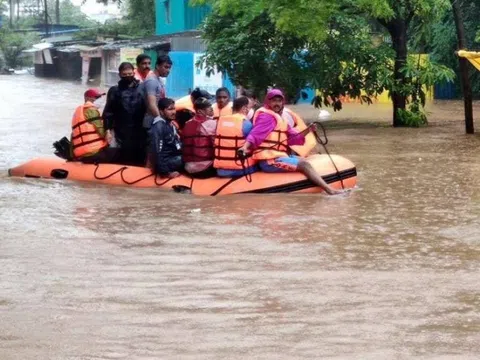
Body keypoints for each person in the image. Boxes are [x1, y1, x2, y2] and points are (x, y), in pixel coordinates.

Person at [237, 89, 342, 195]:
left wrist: (308, 130)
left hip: (277, 156)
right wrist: (245, 147)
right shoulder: (266, 117)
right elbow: (255, 134)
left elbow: (294, 138)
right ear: (268, 102)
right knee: (304, 165)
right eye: (274, 101)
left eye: (279, 101)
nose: (277, 104)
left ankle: (321, 183)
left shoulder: (278, 119)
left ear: (283, 103)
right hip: (269, 161)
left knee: (304, 160)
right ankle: (330, 190)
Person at [103, 62, 147, 166]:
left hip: (140, 128)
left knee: (140, 153)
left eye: (130, 74)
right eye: (125, 75)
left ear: (134, 72)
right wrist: (107, 130)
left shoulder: (142, 88)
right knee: (124, 153)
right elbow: (108, 111)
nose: (128, 76)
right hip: (122, 129)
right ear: (120, 75)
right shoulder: (114, 90)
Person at [70, 88, 118, 164]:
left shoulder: (78, 112)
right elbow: (102, 132)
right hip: (93, 152)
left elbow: (73, 136)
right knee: (119, 152)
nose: (100, 99)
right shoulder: (91, 110)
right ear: (87, 98)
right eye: (97, 97)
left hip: (80, 153)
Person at [214, 96, 257, 177]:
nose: (249, 110)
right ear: (244, 108)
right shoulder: (246, 124)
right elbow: (253, 144)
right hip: (240, 169)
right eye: (249, 107)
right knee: (260, 165)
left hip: (220, 170)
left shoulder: (219, 121)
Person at [182, 97, 217, 178]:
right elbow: (216, 145)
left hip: (187, 168)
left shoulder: (187, 124)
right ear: (199, 111)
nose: (211, 109)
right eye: (208, 107)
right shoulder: (211, 123)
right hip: (205, 170)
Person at [147, 98, 183, 178]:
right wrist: (165, 173)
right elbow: (157, 151)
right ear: (161, 112)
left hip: (173, 157)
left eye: (174, 109)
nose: (173, 112)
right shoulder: (159, 126)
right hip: (166, 162)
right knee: (188, 160)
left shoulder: (171, 124)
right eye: (170, 109)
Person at [142, 54, 173, 130]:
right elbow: (152, 104)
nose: (168, 70)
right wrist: (160, 121)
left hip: (155, 121)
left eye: (169, 68)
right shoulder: (152, 81)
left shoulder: (158, 80)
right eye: (165, 67)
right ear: (157, 66)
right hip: (151, 123)